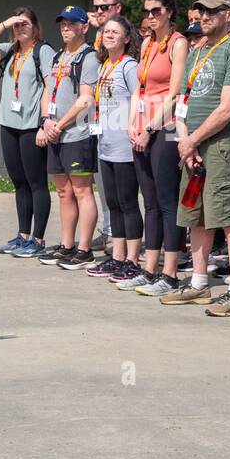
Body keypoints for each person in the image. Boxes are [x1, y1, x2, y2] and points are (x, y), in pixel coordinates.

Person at [158, 0, 230, 316]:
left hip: (221, 145)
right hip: (193, 146)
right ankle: (199, 284)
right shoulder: (198, 52)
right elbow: (182, 102)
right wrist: (186, 141)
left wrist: (192, 139)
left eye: (212, 11)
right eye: (202, 11)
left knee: (227, 217)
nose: (205, 16)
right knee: (195, 215)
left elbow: (227, 109)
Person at [124, 0, 190, 296]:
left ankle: (170, 273)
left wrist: (150, 127)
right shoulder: (148, 42)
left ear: (169, 12)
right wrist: (131, 123)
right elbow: (140, 86)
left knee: (166, 202)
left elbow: (175, 91)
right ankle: (149, 269)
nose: (151, 16)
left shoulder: (178, 44)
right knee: (148, 201)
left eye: (156, 11)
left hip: (166, 126)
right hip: (142, 126)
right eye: (147, 11)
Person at [0, 7, 55, 259]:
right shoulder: (10, 51)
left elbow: (51, 87)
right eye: (17, 25)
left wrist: (46, 122)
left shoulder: (43, 51)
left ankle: (38, 239)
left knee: (36, 183)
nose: (20, 28)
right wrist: (3, 23)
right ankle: (22, 236)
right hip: (9, 123)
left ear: (35, 26)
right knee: (19, 182)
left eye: (25, 24)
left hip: (32, 126)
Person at [36, 5, 100, 270]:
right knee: (63, 192)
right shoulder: (57, 57)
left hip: (77, 134)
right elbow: (46, 92)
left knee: (82, 190)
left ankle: (85, 249)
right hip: (55, 133)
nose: (65, 27)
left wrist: (59, 125)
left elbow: (86, 99)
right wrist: (44, 123)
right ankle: (67, 245)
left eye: (72, 23)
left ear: (84, 27)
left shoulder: (89, 57)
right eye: (62, 23)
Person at [88, 16, 144, 280]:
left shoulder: (129, 66)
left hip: (124, 145)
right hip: (104, 144)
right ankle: (117, 256)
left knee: (127, 202)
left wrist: (134, 126)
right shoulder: (103, 66)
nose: (109, 35)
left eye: (115, 32)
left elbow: (139, 97)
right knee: (112, 202)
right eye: (106, 31)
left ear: (126, 38)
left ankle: (132, 259)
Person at [88, 0, 123, 251]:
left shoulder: (121, 35)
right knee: (102, 181)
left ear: (117, 8)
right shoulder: (97, 37)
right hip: (99, 118)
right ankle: (109, 230)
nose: (100, 12)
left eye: (105, 7)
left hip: (120, 121)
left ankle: (122, 238)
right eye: (97, 7)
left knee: (122, 187)